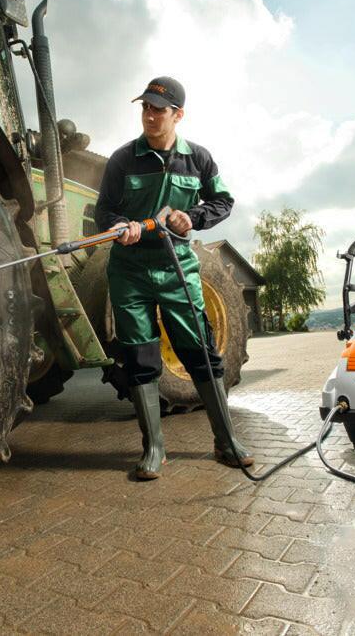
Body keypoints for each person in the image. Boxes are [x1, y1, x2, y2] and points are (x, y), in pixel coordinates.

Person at [94, 76, 254, 480]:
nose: (149, 115)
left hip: (176, 264)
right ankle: (154, 447)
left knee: (199, 348)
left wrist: (193, 217)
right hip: (129, 269)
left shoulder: (198, 159)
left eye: (158, 109)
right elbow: (104, 211)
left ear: (177, 115)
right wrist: (121, 226)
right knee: (140, 356)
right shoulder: (122, 160)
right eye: (145, 108)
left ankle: (226, 441)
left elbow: (223, 201)